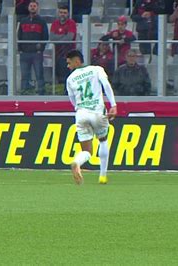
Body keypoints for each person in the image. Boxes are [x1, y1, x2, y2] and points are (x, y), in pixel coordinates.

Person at [65, 50, 117, 185]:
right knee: (103, 140)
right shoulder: (96, 70)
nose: (68, 66)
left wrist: (81, 108)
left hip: (81, 114)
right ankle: (103, 176)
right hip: (97, 112)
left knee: (87, 151)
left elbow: (72, 100)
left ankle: (77, 162)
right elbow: (106, 85)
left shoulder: (70, 79)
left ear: (77, 61)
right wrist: (113, 104)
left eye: (69, 63)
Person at [17, 0, 49, 95]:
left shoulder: (42, 21)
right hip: (25, 53)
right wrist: (20, 49)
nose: (32, 7)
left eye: (34, 6)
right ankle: (24, 91)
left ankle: (41, 91)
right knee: (24, 75)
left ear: (37, 8)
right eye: (31, 6)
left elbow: (45, 36)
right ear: (28, 7)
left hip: (36, 53)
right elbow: (19, 35)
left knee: (39, 74)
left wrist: (40, 49)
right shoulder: (23, 21)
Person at [50, 4, 76, 85]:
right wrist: (64, 35)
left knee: (67, 74)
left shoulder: (71, 23)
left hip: (68, 54)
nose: (62, 14)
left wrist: (58, 38)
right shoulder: (54, 23)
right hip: (57, 54)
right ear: (58, 13)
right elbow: (52, 38)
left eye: (64, 12)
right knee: (58, 73)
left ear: (68, 14)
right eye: (61, 12)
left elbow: (69, 38)